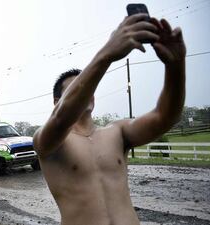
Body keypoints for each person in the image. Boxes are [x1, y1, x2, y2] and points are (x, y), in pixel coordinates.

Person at [33, 14, 185, 225]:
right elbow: (61, 117)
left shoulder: (117, 132)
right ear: (56, 101)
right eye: (77, 90)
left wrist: (176, 66)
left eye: (89, 89)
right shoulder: (47, 141)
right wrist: (106, 54)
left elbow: (165, 116)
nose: (86, 94)